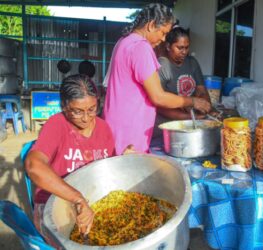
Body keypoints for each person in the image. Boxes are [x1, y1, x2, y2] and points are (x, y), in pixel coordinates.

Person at [102, 3, 211, 155]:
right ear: (152, 25)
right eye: (163, 32)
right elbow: (158, 97)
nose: (163, 38)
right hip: (130, 129)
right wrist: (192, 101)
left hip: (117, 124)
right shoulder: (141, 47)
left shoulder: (124, 41)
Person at [25, 74, 117, 241]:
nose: (86, 118)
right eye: (77, 111)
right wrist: (77, 198)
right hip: (53, 204)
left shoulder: (103, 128)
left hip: (92, 201)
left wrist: (125, 157)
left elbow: (109, 168)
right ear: (64, 107)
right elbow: (34, 166)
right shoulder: (57, 125)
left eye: (92, 109)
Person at [152, 27, 212, 139]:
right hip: (167, 127)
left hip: (190, 123)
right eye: (180, 48)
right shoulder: (162, 66)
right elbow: (159, 104)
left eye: (187, 47)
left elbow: (201, 90)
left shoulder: (192, 63)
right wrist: (187, 116)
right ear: (168, 46)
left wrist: (205, 108)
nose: (184, 52)